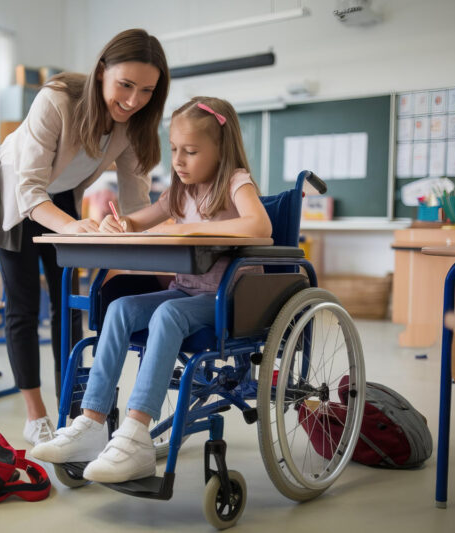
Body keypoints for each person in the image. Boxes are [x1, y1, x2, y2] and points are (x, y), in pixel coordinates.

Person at [30, 97, 273, 483]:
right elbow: (141, 220)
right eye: (174, 149)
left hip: (226, 300)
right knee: (121, 308)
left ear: (220, 149)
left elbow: (260, 227)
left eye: (190, 151)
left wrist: (188, 229)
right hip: (185, 290)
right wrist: (121, 223)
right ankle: (92, 422)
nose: (178, 160)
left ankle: (137, 435)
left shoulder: (235, 180)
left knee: (168, 314)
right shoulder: (180, 189)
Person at [0, 28, 170, 446]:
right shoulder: (56, 99)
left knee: (67, 304)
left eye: (147, 90)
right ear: (101, 73)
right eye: (125, 85)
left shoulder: (134, 125)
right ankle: (35, 414)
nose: (133, 101)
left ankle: (72, 410)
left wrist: (137, 233)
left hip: (57, 194)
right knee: (23, 302)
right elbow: (28, 190)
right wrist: (72, 227)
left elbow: (135, 202)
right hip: (9, 187)